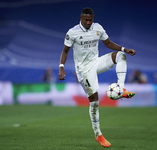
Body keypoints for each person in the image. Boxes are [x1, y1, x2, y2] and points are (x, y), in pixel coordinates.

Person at [58, 7, 136, 148]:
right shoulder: (72, 32)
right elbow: (65, 50)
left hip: (96, 62)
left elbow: (108, 44)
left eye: (91, 20)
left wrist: (125, 49)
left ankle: (121, 88)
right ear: (81, 18)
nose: (89, 22)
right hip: (83, 70)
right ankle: (98, 134)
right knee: (94, 100)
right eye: (86, 20)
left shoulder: (98, 27)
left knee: (120, 56)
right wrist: (61, 67)